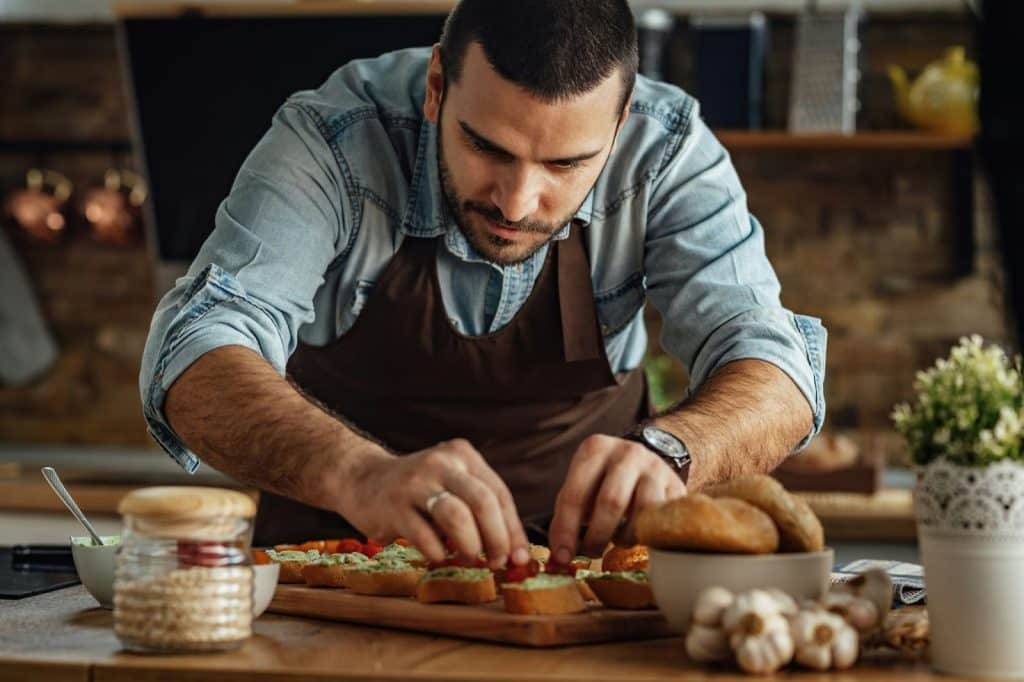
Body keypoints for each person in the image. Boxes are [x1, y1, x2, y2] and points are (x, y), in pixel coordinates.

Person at [140, 0, 826, 569]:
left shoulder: (668, 147)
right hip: (334, 567)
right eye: (487, 148)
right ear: (437, 84)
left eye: (566, 163)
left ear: (618, 128)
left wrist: (676, 452)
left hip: (585, 578)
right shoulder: (335, 137)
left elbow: (776, 368)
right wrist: (359, 476)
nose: (519, 202)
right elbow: (195, 345)